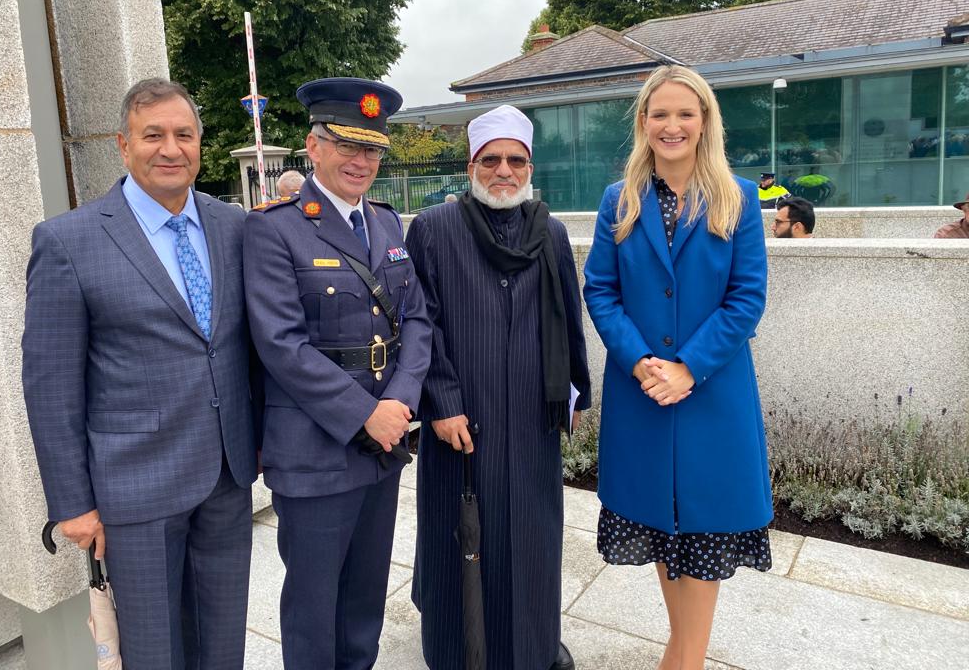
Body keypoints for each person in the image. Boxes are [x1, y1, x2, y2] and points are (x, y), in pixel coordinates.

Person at [22, 78, 259, 670]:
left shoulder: (233, 225)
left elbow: (244, 348)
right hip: (135, 489)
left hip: (228, 477)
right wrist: (72, 504)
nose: (170, 149)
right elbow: (50, 384)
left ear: (200, 145)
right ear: (123, 146)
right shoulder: (69, 241)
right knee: (154, 651)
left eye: (183, 135)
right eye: (153, 135)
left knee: (223, 640)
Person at [583, 66, 772, 670]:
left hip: (711, 396)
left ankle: (683, 661)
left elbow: (747, 298)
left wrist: (688, 367)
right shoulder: (621, 200)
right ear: (643, 123)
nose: (672, 125)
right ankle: (681, 652)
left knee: (706, 532)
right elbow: (600, 291)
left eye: (685, 114)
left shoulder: (737, 199)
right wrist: (641, 361)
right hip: (642, 395)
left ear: (705, 122)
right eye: (659, 114)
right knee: (663, 528)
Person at [243, 77, 431, 669]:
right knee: (313, 605)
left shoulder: (387, 222)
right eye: (347, 145)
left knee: (364, 600)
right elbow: (282, 344)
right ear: (313, 146)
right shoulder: (274, 229)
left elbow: (417, 321)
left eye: (372, 149)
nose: (361, 160)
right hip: (315, 450)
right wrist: (365, 414)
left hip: (383, 444)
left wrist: (398, 402)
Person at [406, 104, 591, 670]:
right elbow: (421, 323)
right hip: (462, 421)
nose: (503, 170)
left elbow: (568, 313)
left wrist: (575, 391)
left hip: (532, 419)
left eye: (516, 159)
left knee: (532, 540)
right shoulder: (434, 231)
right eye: (491, 159)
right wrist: (443, 402)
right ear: (471, 165)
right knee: (456, 535)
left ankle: (531, 651)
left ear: (529, 166)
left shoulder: (550, 231)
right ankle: (457, 652)